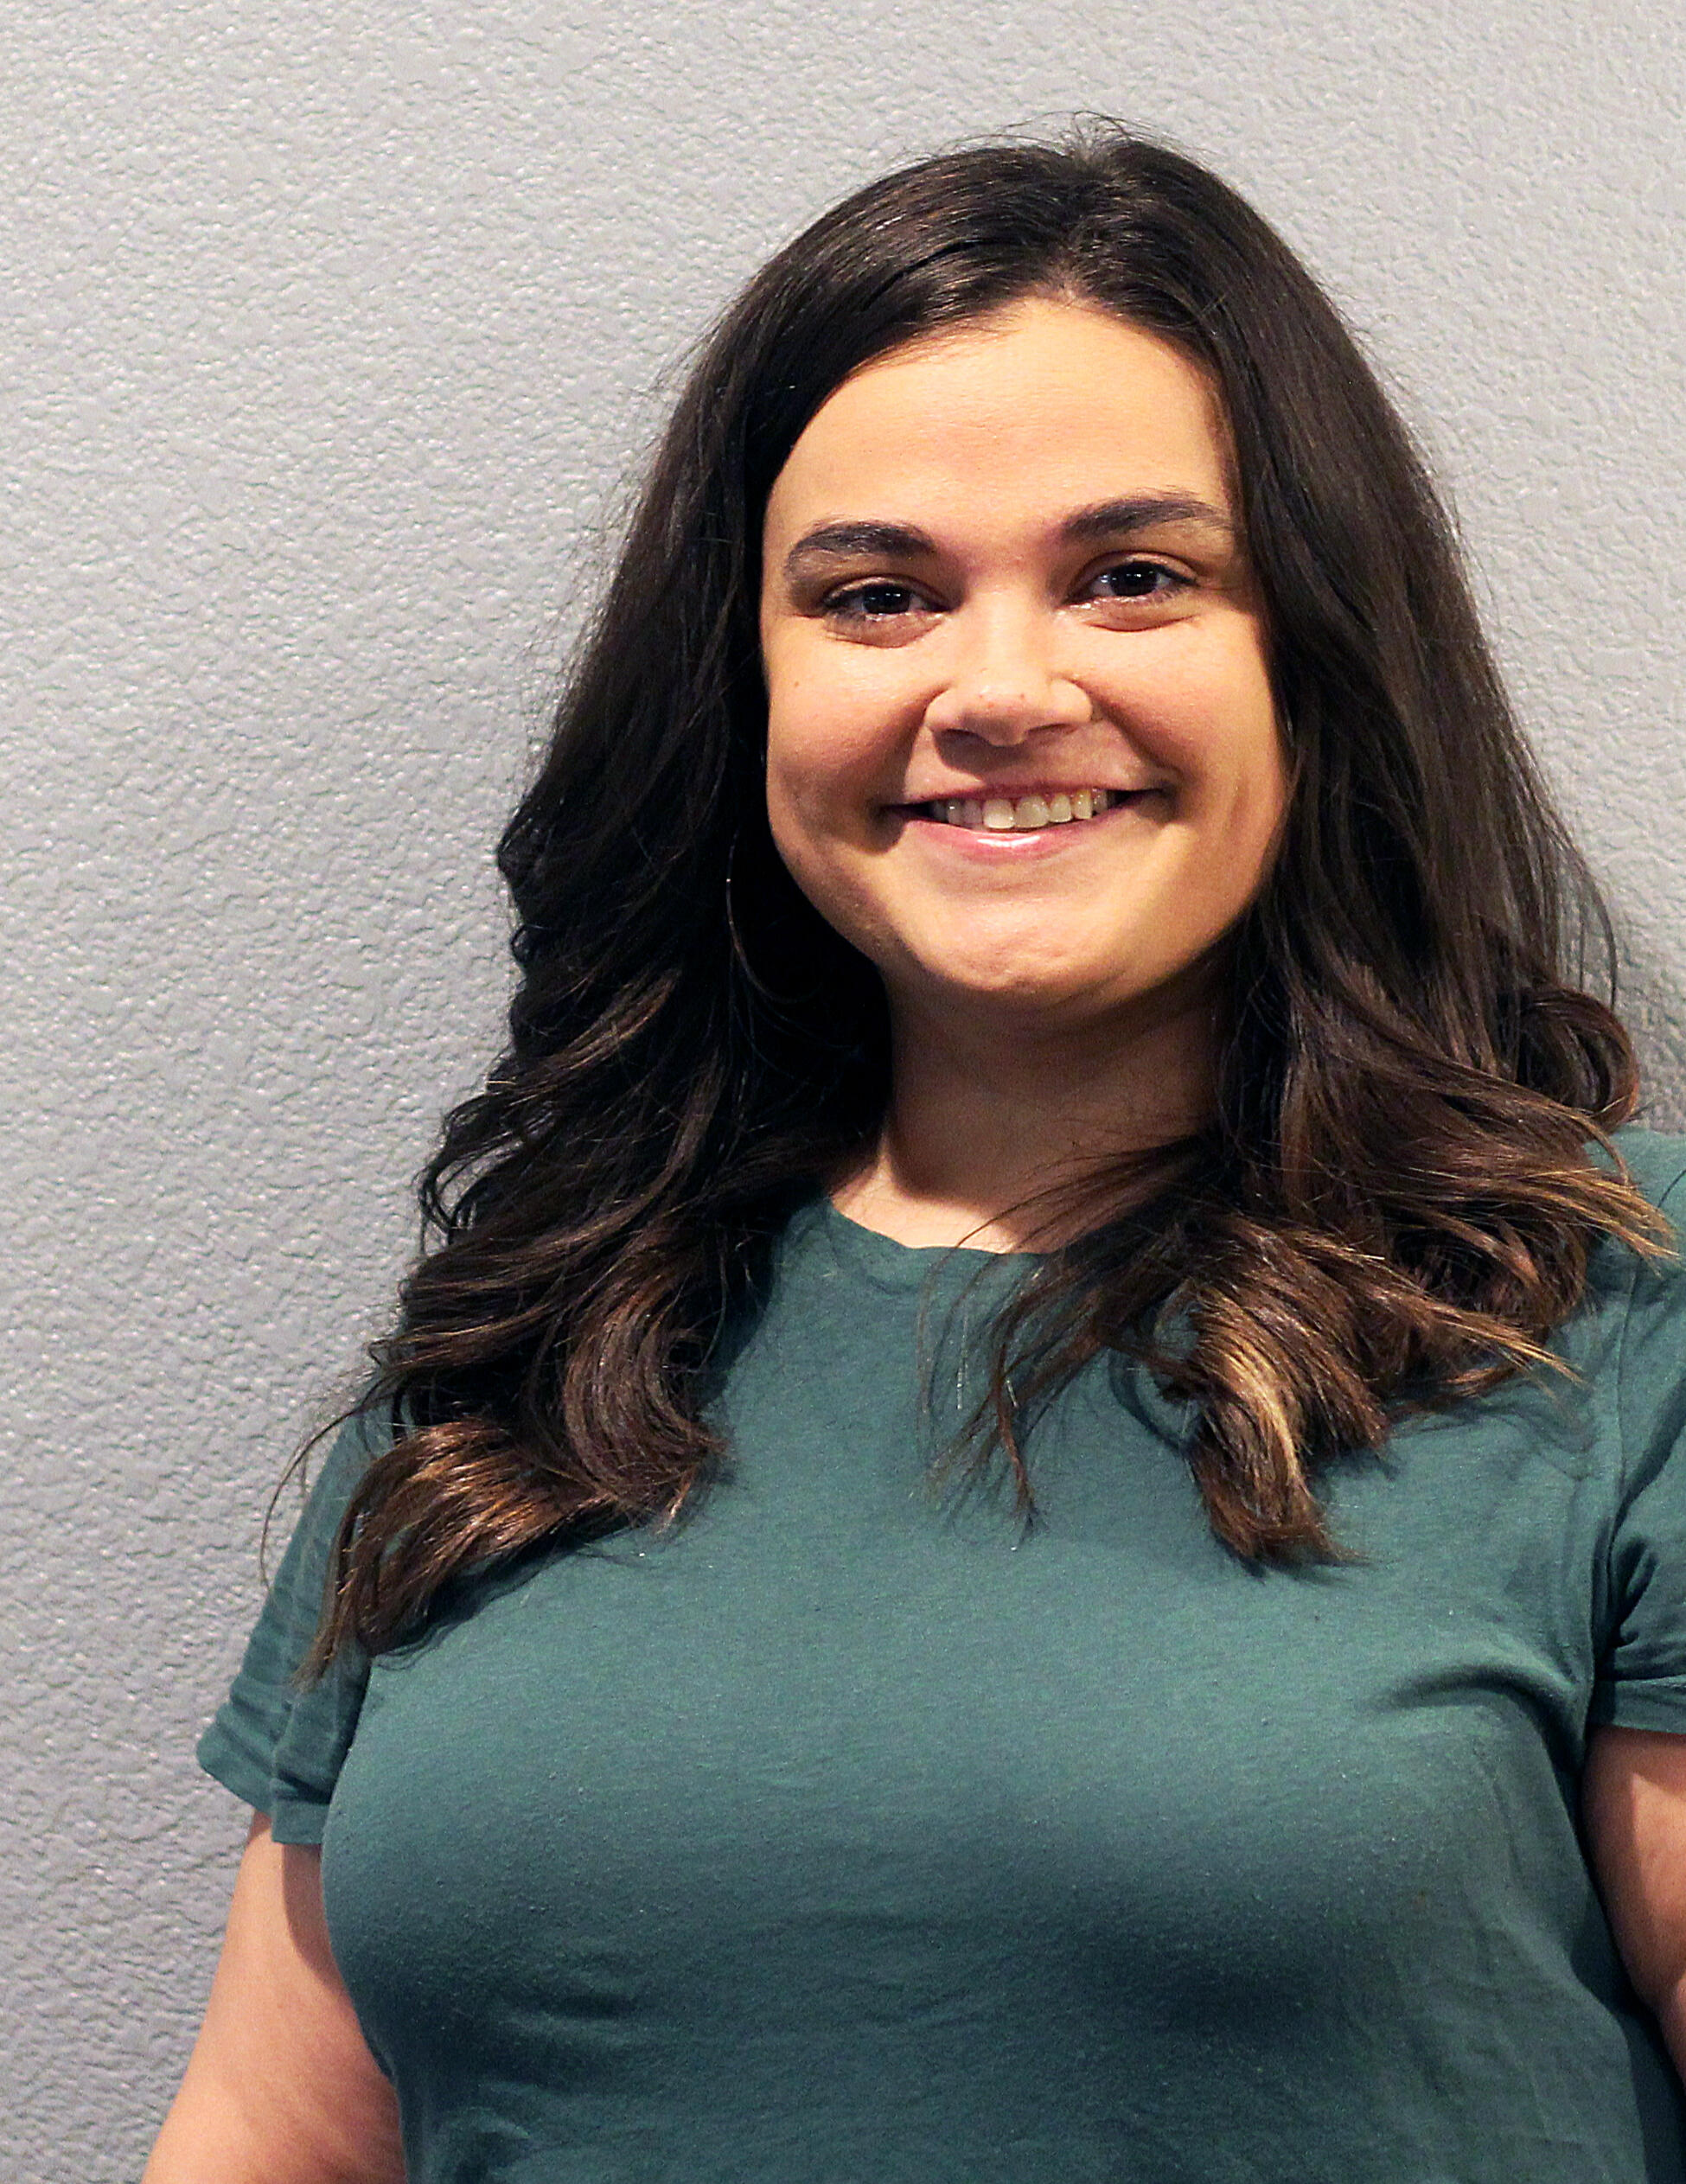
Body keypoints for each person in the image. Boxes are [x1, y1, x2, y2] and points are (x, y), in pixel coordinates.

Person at [144, 128, 1686, 2183]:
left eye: (1134, 577)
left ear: (1313, 661)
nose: (1001, 690)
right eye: (878, 597)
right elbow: (277, 2138)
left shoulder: (1612, 1312)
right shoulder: (530, 1350)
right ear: (748, 690)